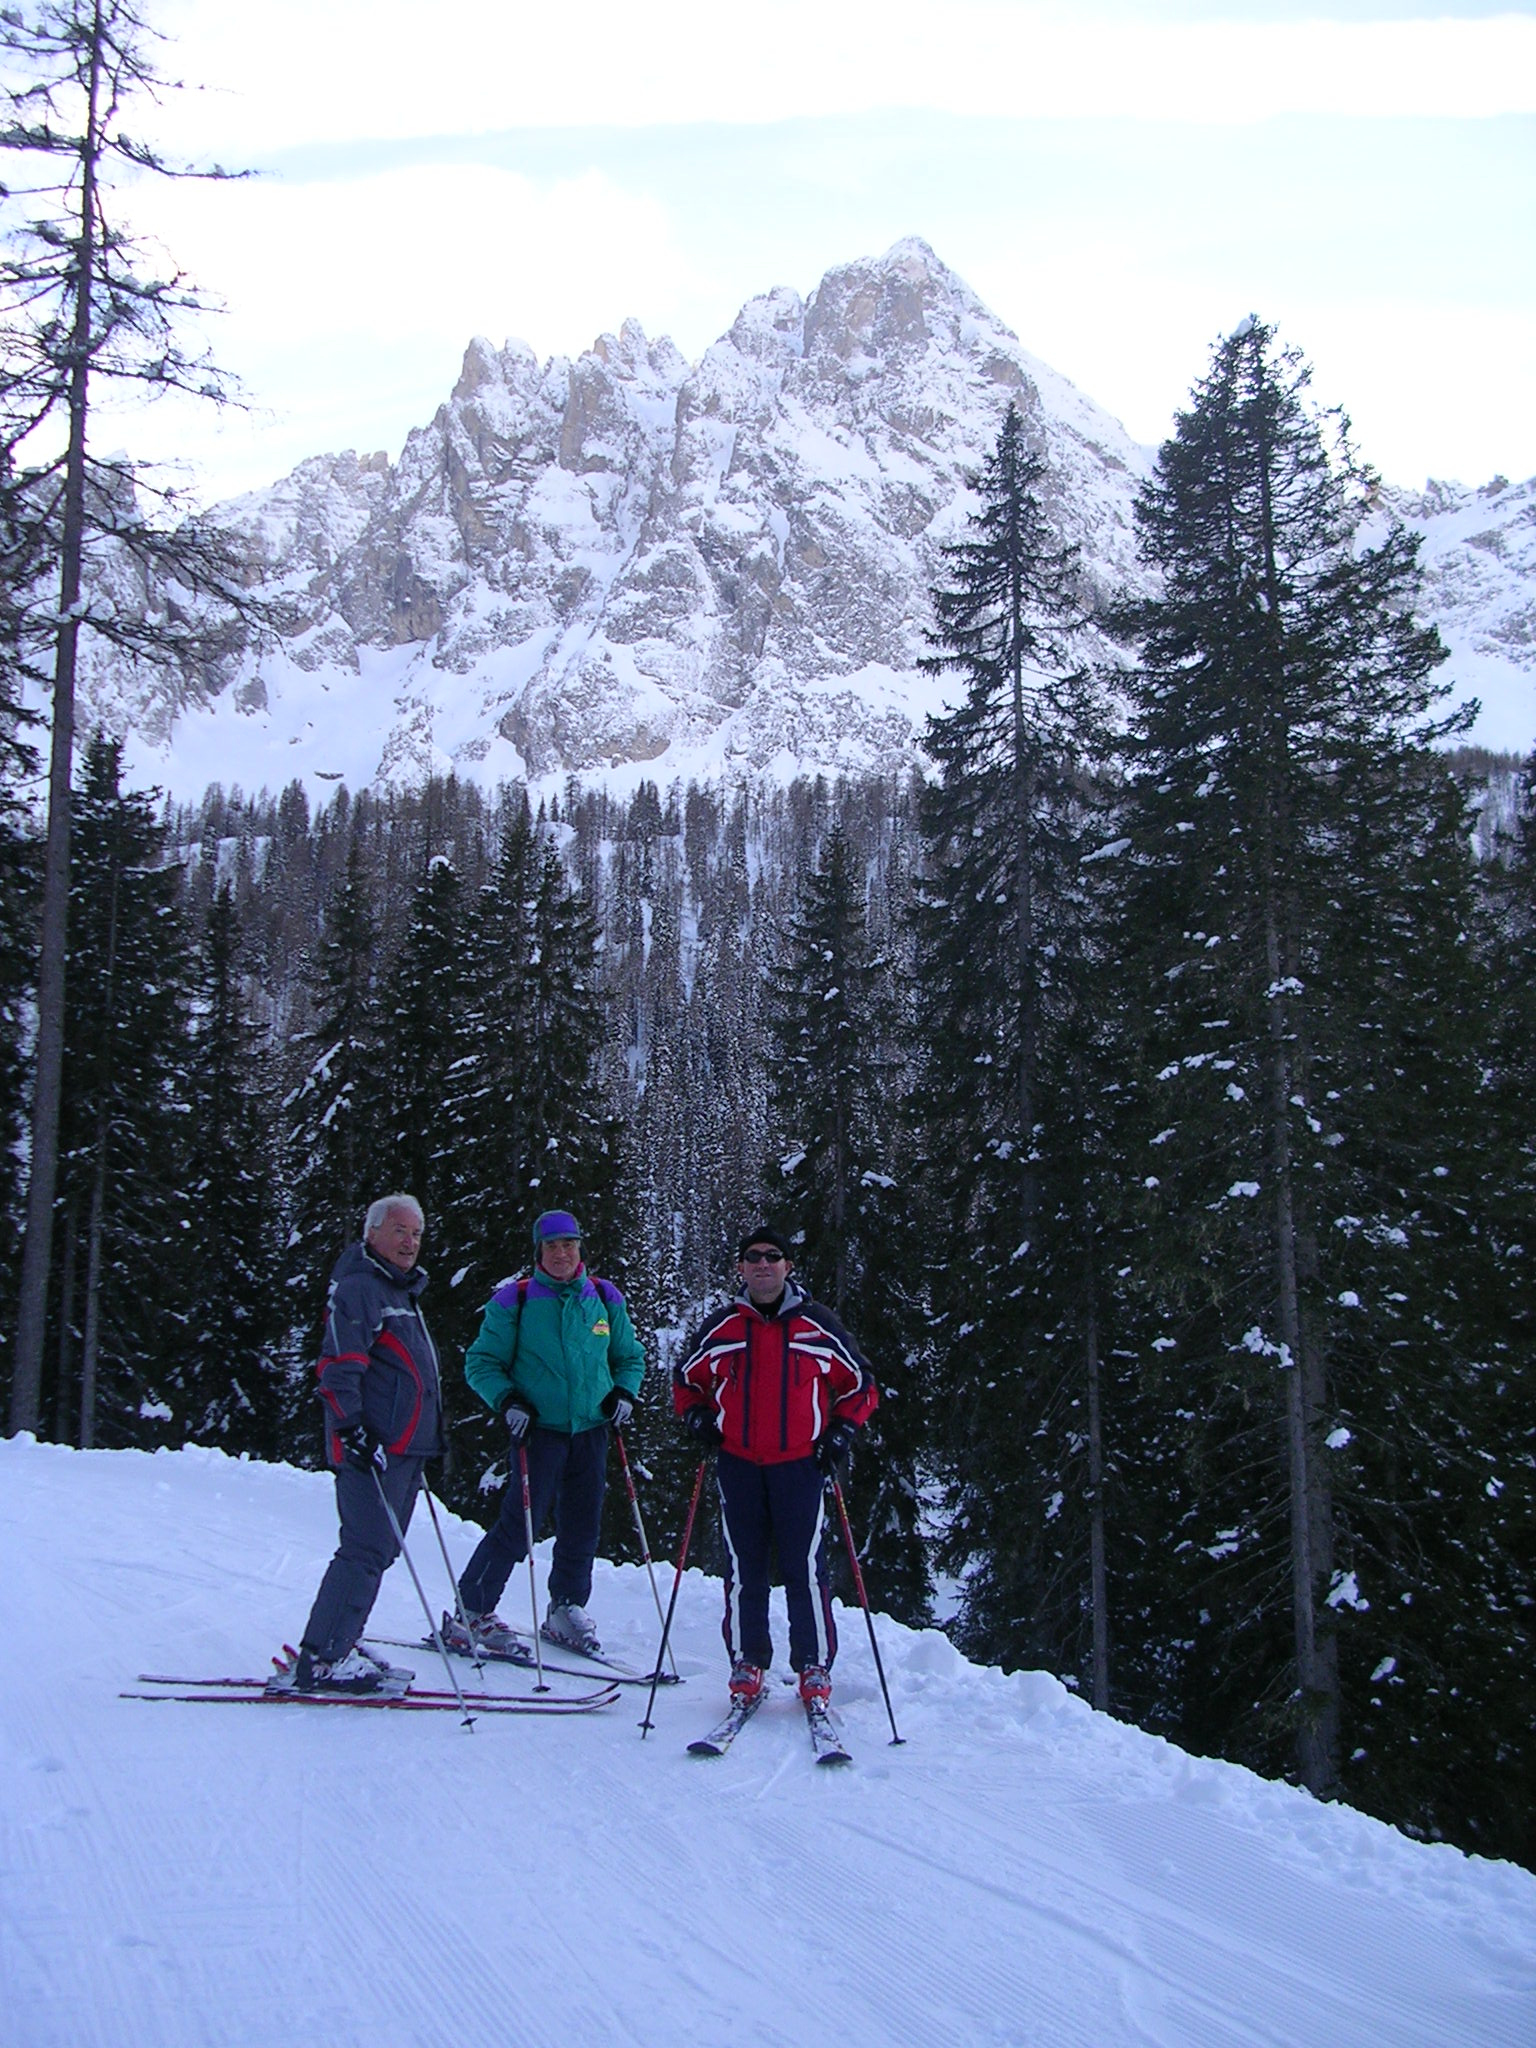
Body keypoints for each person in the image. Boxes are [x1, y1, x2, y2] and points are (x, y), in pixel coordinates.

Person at [672, 1225, 878, 1712]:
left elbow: (861, 1385)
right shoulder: (723, 1329)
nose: (763, 1265)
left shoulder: (817, 1326)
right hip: (739, 1464)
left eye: (773, 1257)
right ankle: (748, 1659)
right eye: (752, 1258)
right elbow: (686, 1379)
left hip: (799, 1466)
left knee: (804, 1566)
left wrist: (842, 1431)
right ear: (741, 1269)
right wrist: (698, 1417)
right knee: (744, 1566)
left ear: (788, 1267)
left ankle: (813, 1664)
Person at [447, 1209, 645, 1657]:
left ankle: (566, 1607)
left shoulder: (604, 1297)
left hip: (591, 1430)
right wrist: (508, 1400)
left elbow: (629, 1357)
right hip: (540, 1431)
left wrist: (624, 1393)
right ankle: (470, 1612)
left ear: (580, 1249)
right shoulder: (513, 1301)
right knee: (520, 1525)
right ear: (539, 1251)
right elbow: (481, 1363)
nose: (561, 1253)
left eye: (569, 1244)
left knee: (582, 1525)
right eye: (552, 1246)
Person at [284, 1195, 443, 1694]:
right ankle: (324, 1658)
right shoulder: (361, 1289)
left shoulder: (399, 1290)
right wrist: (351, 1428)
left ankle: (338, 1644)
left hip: (403, 1446)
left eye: (416, 1234)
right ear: (372, 1233)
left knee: (379, 1550)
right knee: (364, 1548)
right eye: (399, 1231)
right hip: (373, 1446)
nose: (409, 1243)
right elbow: (338, 1365)